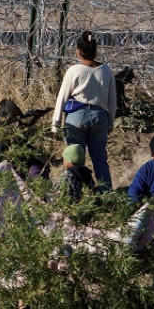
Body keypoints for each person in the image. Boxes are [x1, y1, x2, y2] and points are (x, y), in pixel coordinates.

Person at [52, 31, 118, 191]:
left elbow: (62, 97)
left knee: (74, 159)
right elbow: (112, 100)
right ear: (95, 51)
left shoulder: (74, 71)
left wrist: (55, 124)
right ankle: (105, 194)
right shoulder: (106, 71)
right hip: (99, 117)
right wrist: (110, 123)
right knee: (100, 159)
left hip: (76, 118)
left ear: (79, 51)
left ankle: (74, 193)